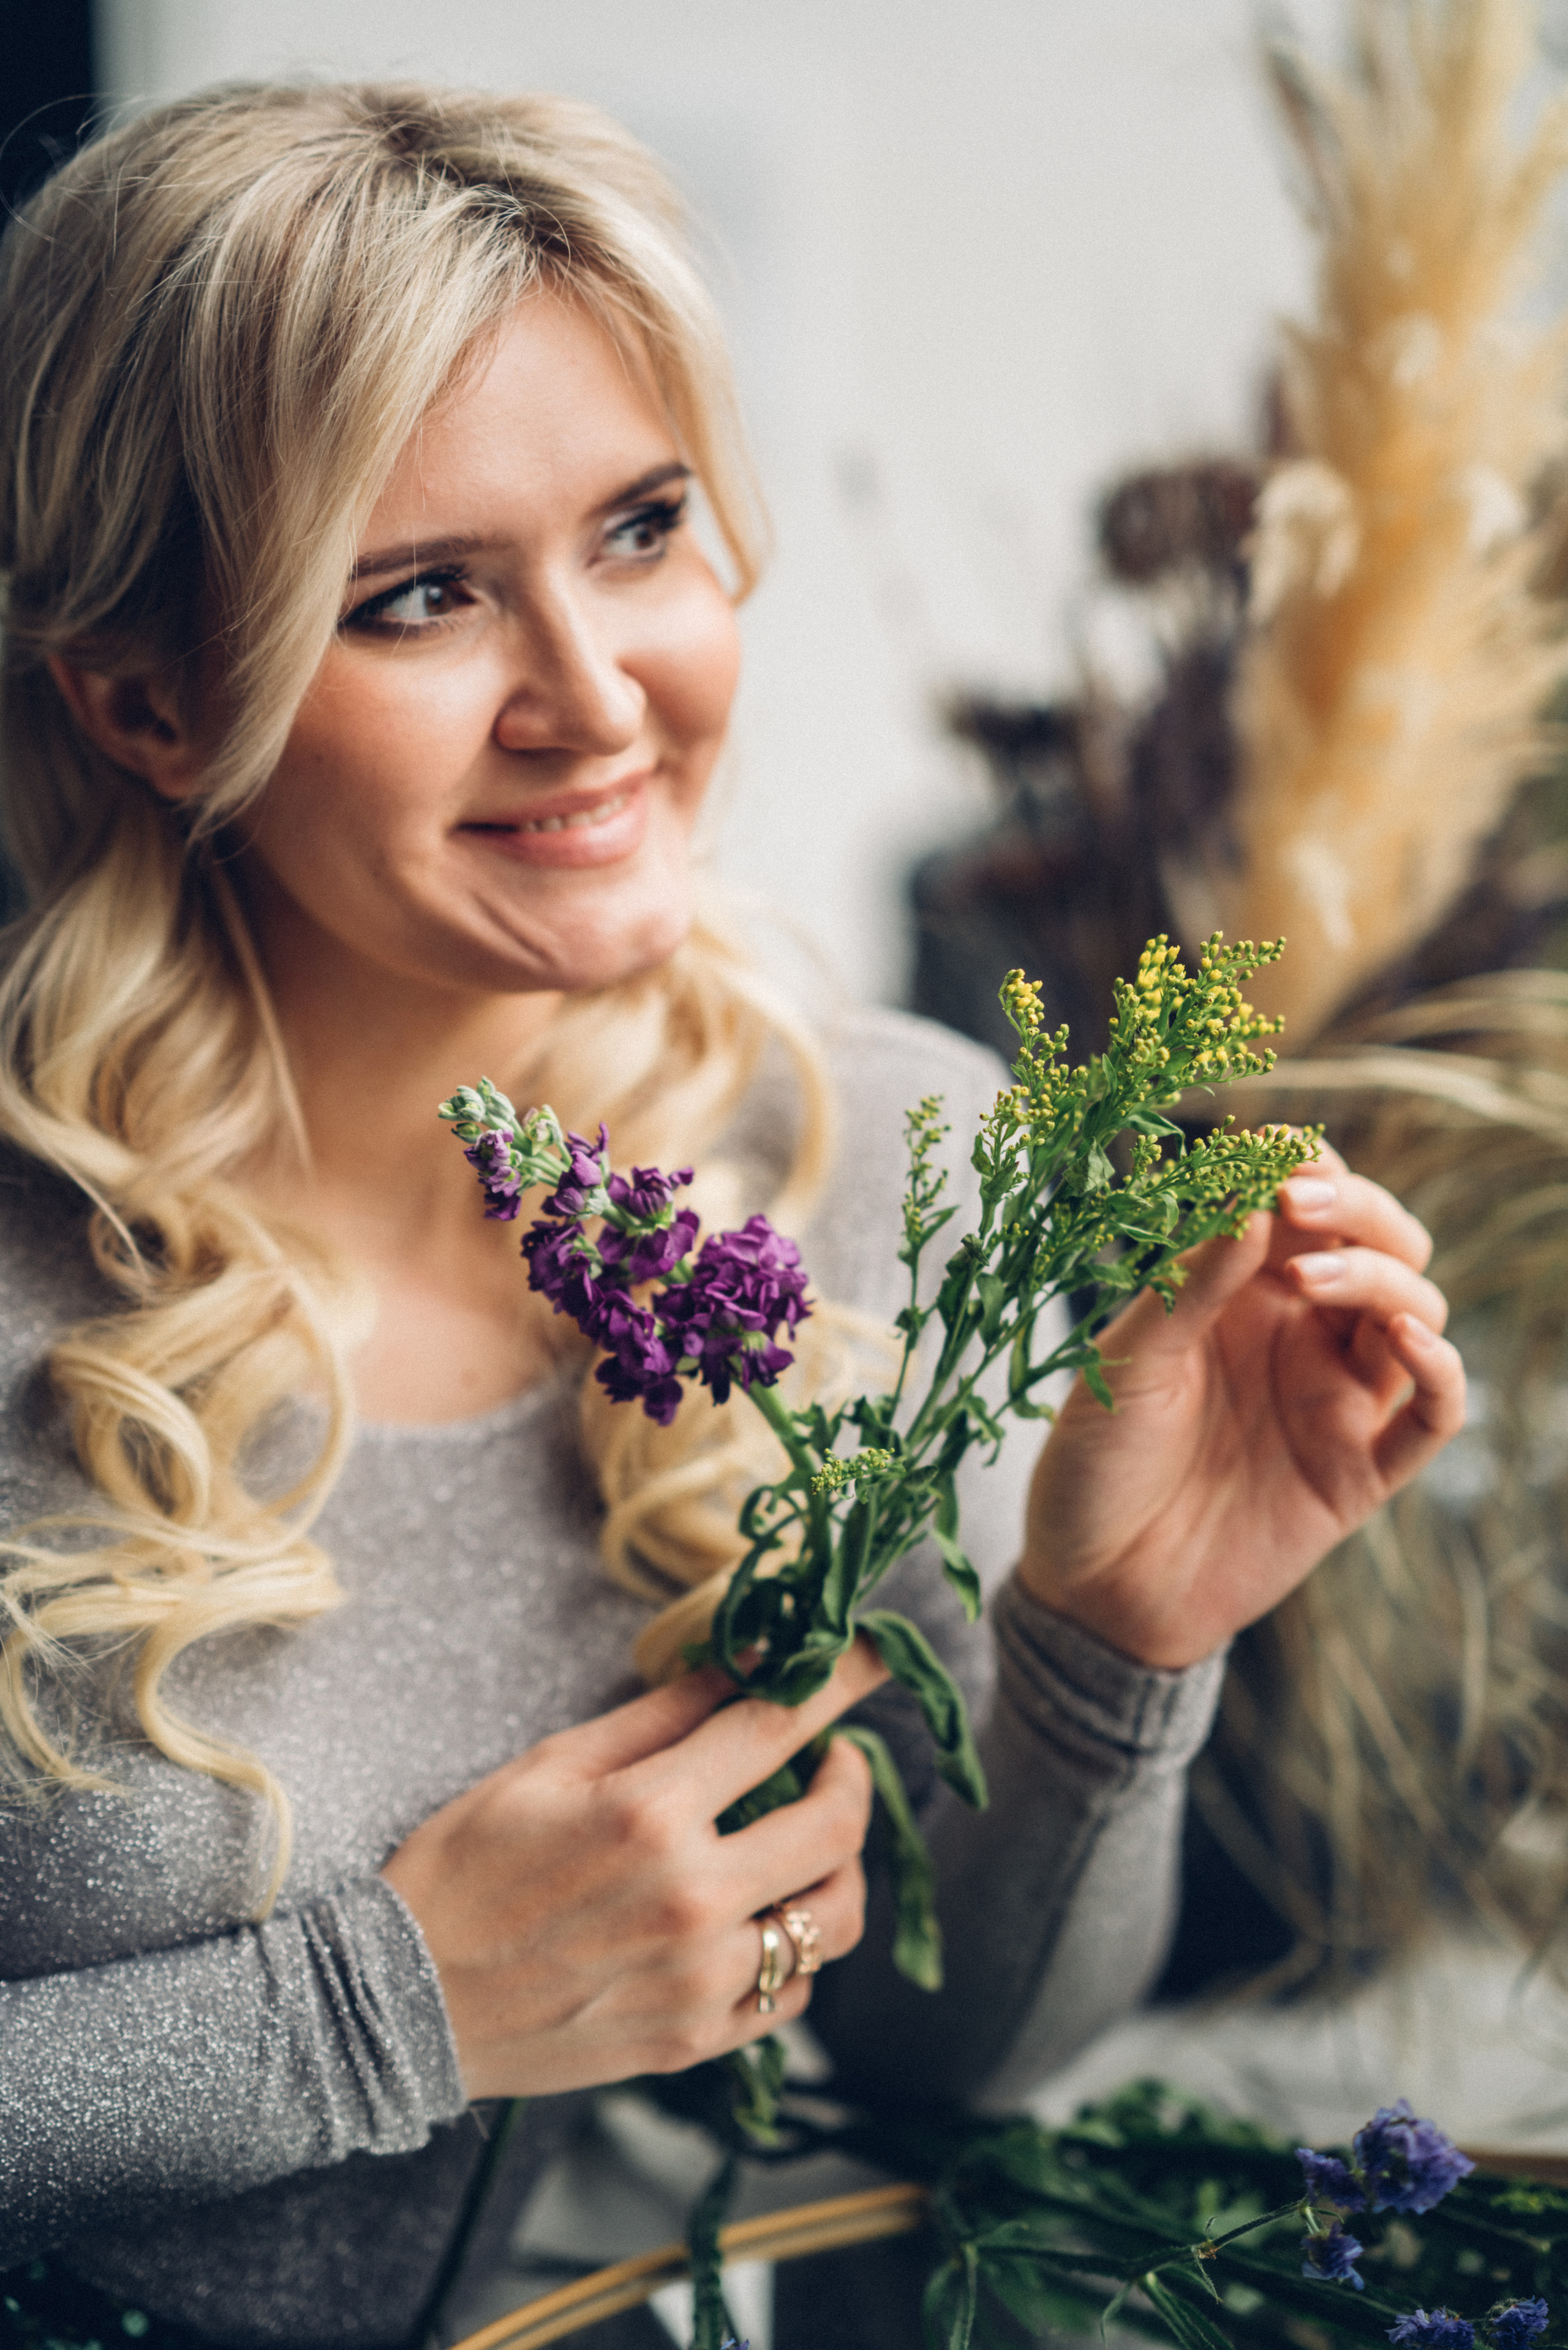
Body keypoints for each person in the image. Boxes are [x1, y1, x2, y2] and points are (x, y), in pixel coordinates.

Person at [0, 83, 1465, 2350]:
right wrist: (382, 2011)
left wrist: (1115, 1646)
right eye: (420, 598)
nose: (596, 700)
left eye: (644, 529)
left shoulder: (877, 1153)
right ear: (154, 702)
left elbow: (955, 2059)